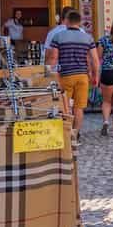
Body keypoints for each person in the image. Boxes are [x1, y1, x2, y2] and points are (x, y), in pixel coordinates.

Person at [46, 8, 97, 142]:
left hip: (66, 76)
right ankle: (76, 133)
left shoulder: (58, 37)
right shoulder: (88, 38)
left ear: (67, 21)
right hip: (82, 76)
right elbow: (94, 59)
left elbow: (53, 58)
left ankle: (67, 133)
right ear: (79, 23)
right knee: (79, 107)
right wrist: (95, 75)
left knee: (66, 106)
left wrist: (50, 74)